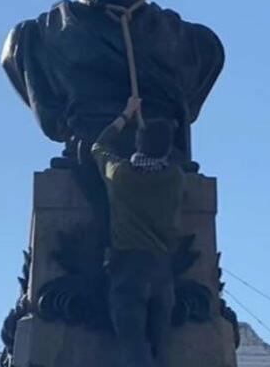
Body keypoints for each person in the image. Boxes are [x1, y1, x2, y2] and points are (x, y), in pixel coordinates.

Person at [91, 96, 184, 367]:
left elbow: (98, 146)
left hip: (129, 270)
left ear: (138, 144)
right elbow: (169, 155)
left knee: (133, 347)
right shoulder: (175, 178)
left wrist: (126, 114)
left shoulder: (120, 175)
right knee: (160, 349)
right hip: (162, 271)